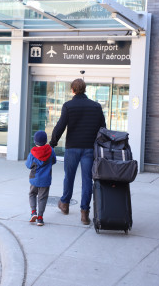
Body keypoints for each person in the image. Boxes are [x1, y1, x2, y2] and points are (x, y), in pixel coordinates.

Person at [49, 78, 106, 225]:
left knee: (69, 176)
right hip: (89, 148)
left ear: (73, 90)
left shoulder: (68, 106)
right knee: (87, 180)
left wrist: (52, 143)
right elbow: (103, 129)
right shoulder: (96, 107)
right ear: (85, 89)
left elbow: (60, 126)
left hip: (72, 148)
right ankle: (84, 213)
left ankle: (65, 204)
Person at [26, 130, 56, 226]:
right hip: (46, 179)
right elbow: (54, 161)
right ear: (46, 140)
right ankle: (40, 218)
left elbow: (28, 165)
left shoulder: (33, 153)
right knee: (42, 198)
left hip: (34, 178)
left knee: (32, 194)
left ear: (35, 141)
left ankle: (33, 212)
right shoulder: (51, 150)